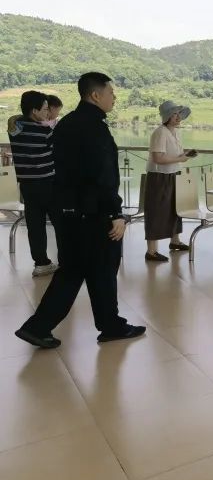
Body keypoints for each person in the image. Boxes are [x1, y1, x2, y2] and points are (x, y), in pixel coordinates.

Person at [15, 72, 146, 349]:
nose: (114, 97)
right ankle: (106, 325)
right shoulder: (94, 128)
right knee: (103, 267)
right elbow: (103, 176)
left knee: (75, 270)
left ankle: (41, 327)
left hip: (68, 212)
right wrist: (115, 213)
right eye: (111, 93)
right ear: (95, 95)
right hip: (92, 213)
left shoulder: (66, 124)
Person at [7, 90, 63, 276]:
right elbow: (58, 153)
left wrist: (20, 117)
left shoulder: (14, 129)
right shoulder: (45, 131)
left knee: (35, 225)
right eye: (45, 109)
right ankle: (66, 261)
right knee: (61, 223)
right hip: (48, 183)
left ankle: (41, 263)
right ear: (34, 111)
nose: (48, 113)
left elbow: (15, 119)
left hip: (27, 186)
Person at [144, 101, 194, 262]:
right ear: (166, 117)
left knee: (175, 209)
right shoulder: (160, 132)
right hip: (159, 176)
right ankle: (151, 251)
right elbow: (158, 158)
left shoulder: (175, 132)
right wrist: (181, 158)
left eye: (179, 114)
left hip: (174, 173)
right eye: (174, 114)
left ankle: (175, 241)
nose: (178, 117)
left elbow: (172, 154)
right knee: (156, 211)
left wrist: (184, 155)